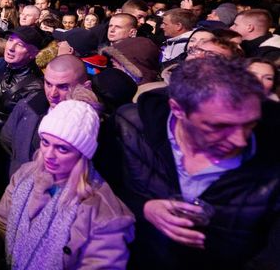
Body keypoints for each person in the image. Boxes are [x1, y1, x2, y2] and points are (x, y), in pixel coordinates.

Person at [110, 57, 280, 268]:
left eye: (249, 124)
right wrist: (143, 208)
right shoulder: (130, 126)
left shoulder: (273, 156)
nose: (241, 140)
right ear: (178, 109)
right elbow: (102, 190)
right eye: (220, 126)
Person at [0, 100, 135, 269]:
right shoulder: (25, 175)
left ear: (82, 153)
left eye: (62, 149)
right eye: (45, 142)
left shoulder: (103, 212)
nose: (49, 155)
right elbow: (0, 222)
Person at [1, 55, 91, 177]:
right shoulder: (28, 105)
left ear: (85, 87)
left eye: (63, 87)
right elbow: (6, 140)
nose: (52, 93)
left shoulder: (92, 126)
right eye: (48, 84)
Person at [0, 26, 45, 122]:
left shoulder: (36, 87)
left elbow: (24, 125)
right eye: (10, 40)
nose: (11, 48)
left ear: (34, 53)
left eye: (20, 45)